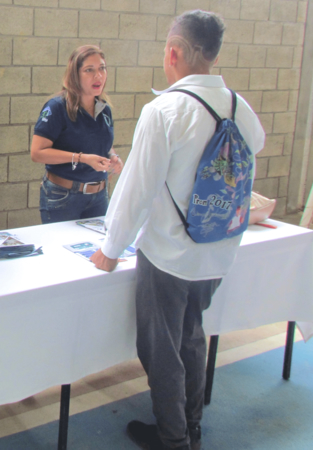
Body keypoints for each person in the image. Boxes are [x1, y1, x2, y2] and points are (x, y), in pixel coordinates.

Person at [91, 11, 265, 450]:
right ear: (214, 53)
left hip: (169, 254)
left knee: (161, 349)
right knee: (191, 334)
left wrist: (112, 249)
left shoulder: (165, 110)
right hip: (219, 248)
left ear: (174, 52)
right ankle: (191, 424)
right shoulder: (239, 107)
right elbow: (255, 148)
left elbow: (136, 188)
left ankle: (173, 440)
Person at [31, 45, 122, 224]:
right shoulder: (57, 107)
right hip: (63, 196)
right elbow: (37, 153)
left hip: (99, 196)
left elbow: (101, 143)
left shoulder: (104, 109)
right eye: (89, 70)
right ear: (75, 75)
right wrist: (82, 158)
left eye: (102, 68)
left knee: (95, 251)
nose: (98, 76)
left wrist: (113, 156)